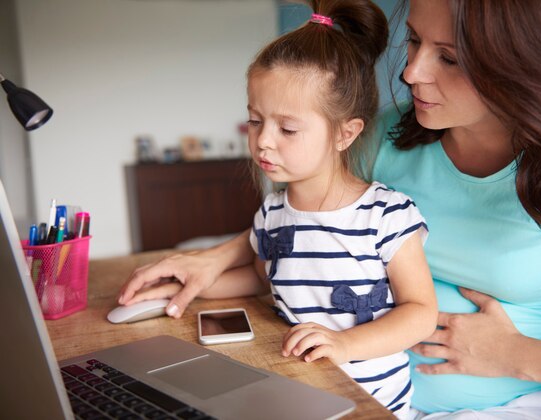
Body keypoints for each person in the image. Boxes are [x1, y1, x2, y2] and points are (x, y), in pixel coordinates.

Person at [119, 0, 541, 418]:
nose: (410, 72)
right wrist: (214, 260)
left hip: (523, 399)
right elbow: (310, 219)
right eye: (413, 41)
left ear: (526, 62)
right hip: (368, 396)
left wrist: (520, 356)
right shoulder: (390, 134)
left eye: (447, 58)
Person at [121, 1, 437, 418]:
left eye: (287, 128)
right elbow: (258, 277)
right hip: (302, 392)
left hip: (374, 406)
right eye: (255, 121)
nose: (264, 141)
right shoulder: (273, 211)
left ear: (346, 133)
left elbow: (420, 313)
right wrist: (179, 288)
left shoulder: (386, 215)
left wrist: (345, 344)